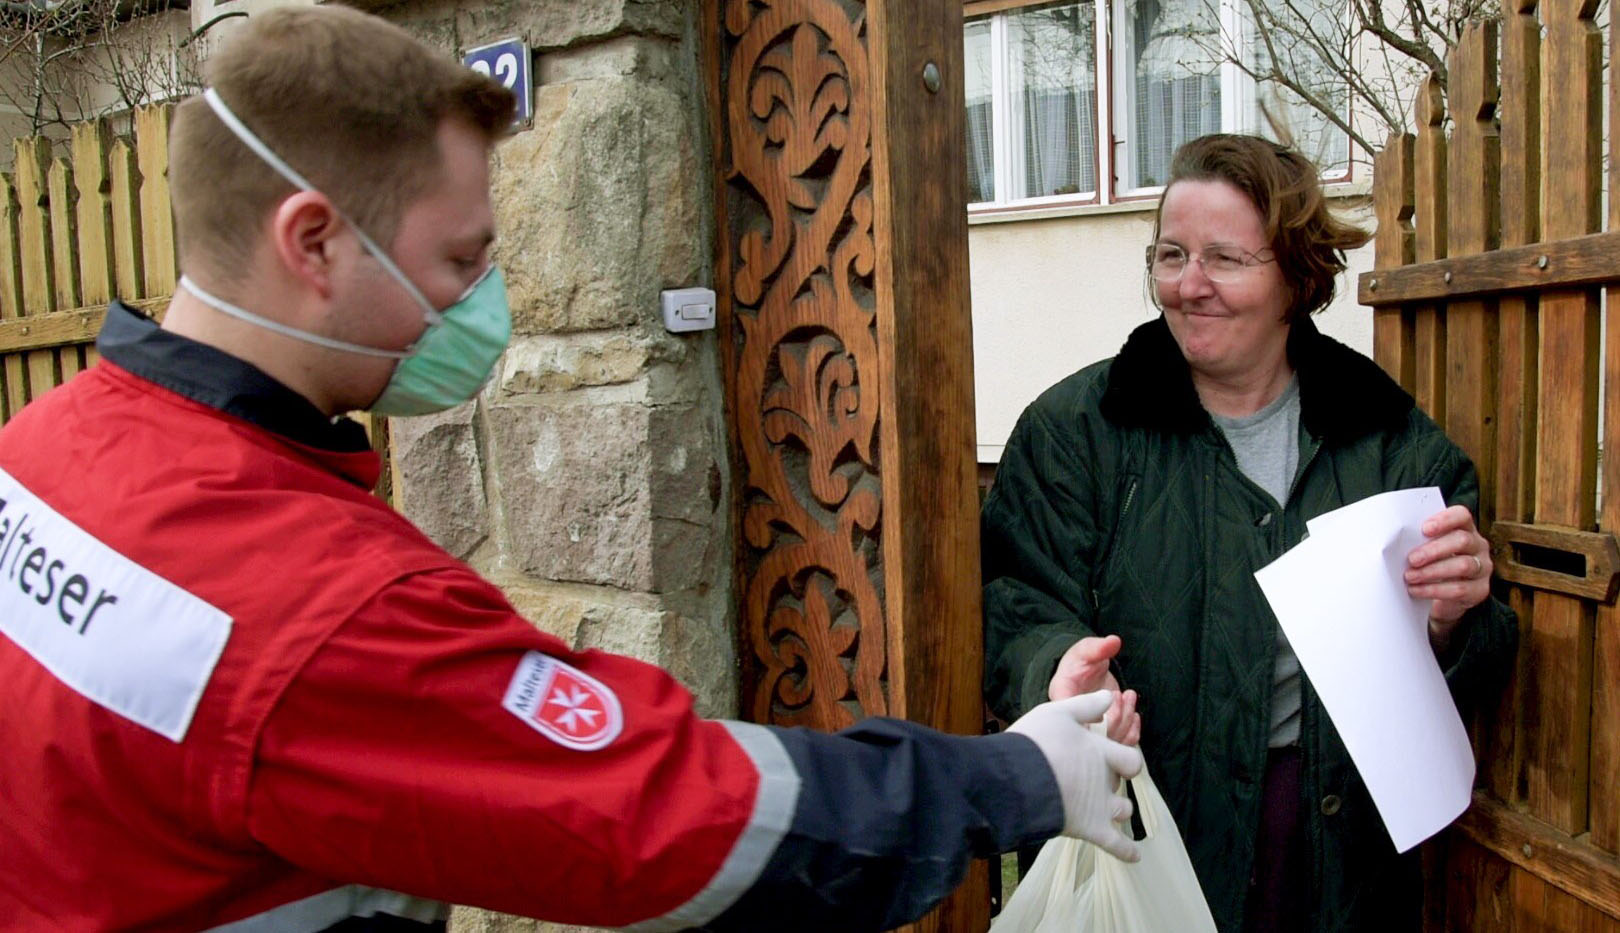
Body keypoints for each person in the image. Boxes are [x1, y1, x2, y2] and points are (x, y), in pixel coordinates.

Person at [0, 7, 1147, 931]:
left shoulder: (38, 452)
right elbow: (669, 820)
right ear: (311, 241)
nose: (472, 301)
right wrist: (1021, 779)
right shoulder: (323, 609)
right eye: (458, 257)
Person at [982, 134, 1518, 932]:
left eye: (1224, 259)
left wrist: (1453, 616)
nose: (1188, 285)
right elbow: (1011, 601)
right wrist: (1058, 667)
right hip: (1152, 833)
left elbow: (1478, 664)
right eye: (1171, 255)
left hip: (1338, 857)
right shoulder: (1077, 431)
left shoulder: (1390, 439)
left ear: (1296, 278)